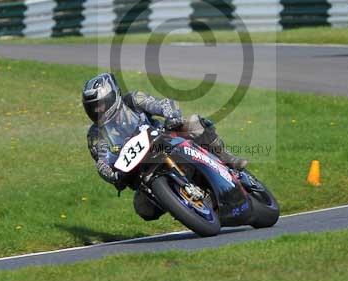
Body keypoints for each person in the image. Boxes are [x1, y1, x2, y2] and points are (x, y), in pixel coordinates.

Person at [82, 72, 247, 221]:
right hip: (140, 172)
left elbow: (164, 104)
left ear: (113, 97)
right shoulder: (95, 135)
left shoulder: (133, 100)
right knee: (143, 209)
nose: (98, 110)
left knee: (193, 124)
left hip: (164, 141)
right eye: (92, 107)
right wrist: (111, 174)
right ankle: (181, 204)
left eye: (101, 104)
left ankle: (227, 157)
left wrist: (171, 116)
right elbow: (102, 160)